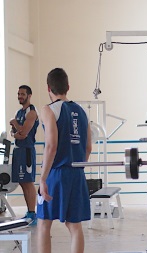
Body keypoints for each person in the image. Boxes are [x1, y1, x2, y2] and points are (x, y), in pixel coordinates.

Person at [37, 68, 92, 253]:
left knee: (44, 223)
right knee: (75, 226)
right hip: (77, 172)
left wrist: (43, 178)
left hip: (56, 173)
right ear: (68, 87)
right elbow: (88, 148)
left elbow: (51, 146)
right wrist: (76, 166)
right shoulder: (82, 112)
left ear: (48, 89)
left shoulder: (48, 110)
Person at [10, 85, 39, 225]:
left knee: (28, 182)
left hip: (27, 150)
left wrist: (15, 124)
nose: (20, 96)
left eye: (22, 94)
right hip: (18, 150)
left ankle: (33, 214)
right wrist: (16, 131)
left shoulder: (31, 112)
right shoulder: (19, 112)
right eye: (18, 94)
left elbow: (23, 134)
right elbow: (14, 134)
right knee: (22, 182)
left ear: (29, 95)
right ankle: (29, 212)